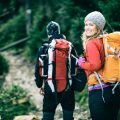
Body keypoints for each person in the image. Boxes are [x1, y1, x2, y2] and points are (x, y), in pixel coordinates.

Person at [77, 11, 120, 120]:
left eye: (91, 24)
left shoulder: (92, 43)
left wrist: (81, 63)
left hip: (98, 91)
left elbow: (95, 65)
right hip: (113, 89)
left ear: (98, 27)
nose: (87, 27)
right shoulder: (105, 42)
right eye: (86, 24)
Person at [34, 21, 77, 120]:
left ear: (48, 33)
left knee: (48, 114)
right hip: (68, 85)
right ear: (59, 31)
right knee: (68, 114)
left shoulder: (44, 48)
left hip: (50, 85)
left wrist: (39, 85)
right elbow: (77, 66)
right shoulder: (70, 46)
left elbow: (37, 68)